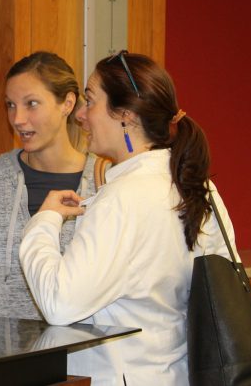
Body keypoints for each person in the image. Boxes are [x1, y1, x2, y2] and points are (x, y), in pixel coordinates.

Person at [18, 51, 235, 384]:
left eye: (90, 101)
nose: (80, 115)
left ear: (124, 115)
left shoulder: (122, 200)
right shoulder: (200, 187)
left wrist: (44, 221)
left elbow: (59, 303)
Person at [0, 52, 98, 320]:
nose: (18, 118)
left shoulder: (103, 180)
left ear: (67, 103)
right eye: (10, 105)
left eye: (31, 104)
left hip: (75, 350)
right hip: (5, 348)